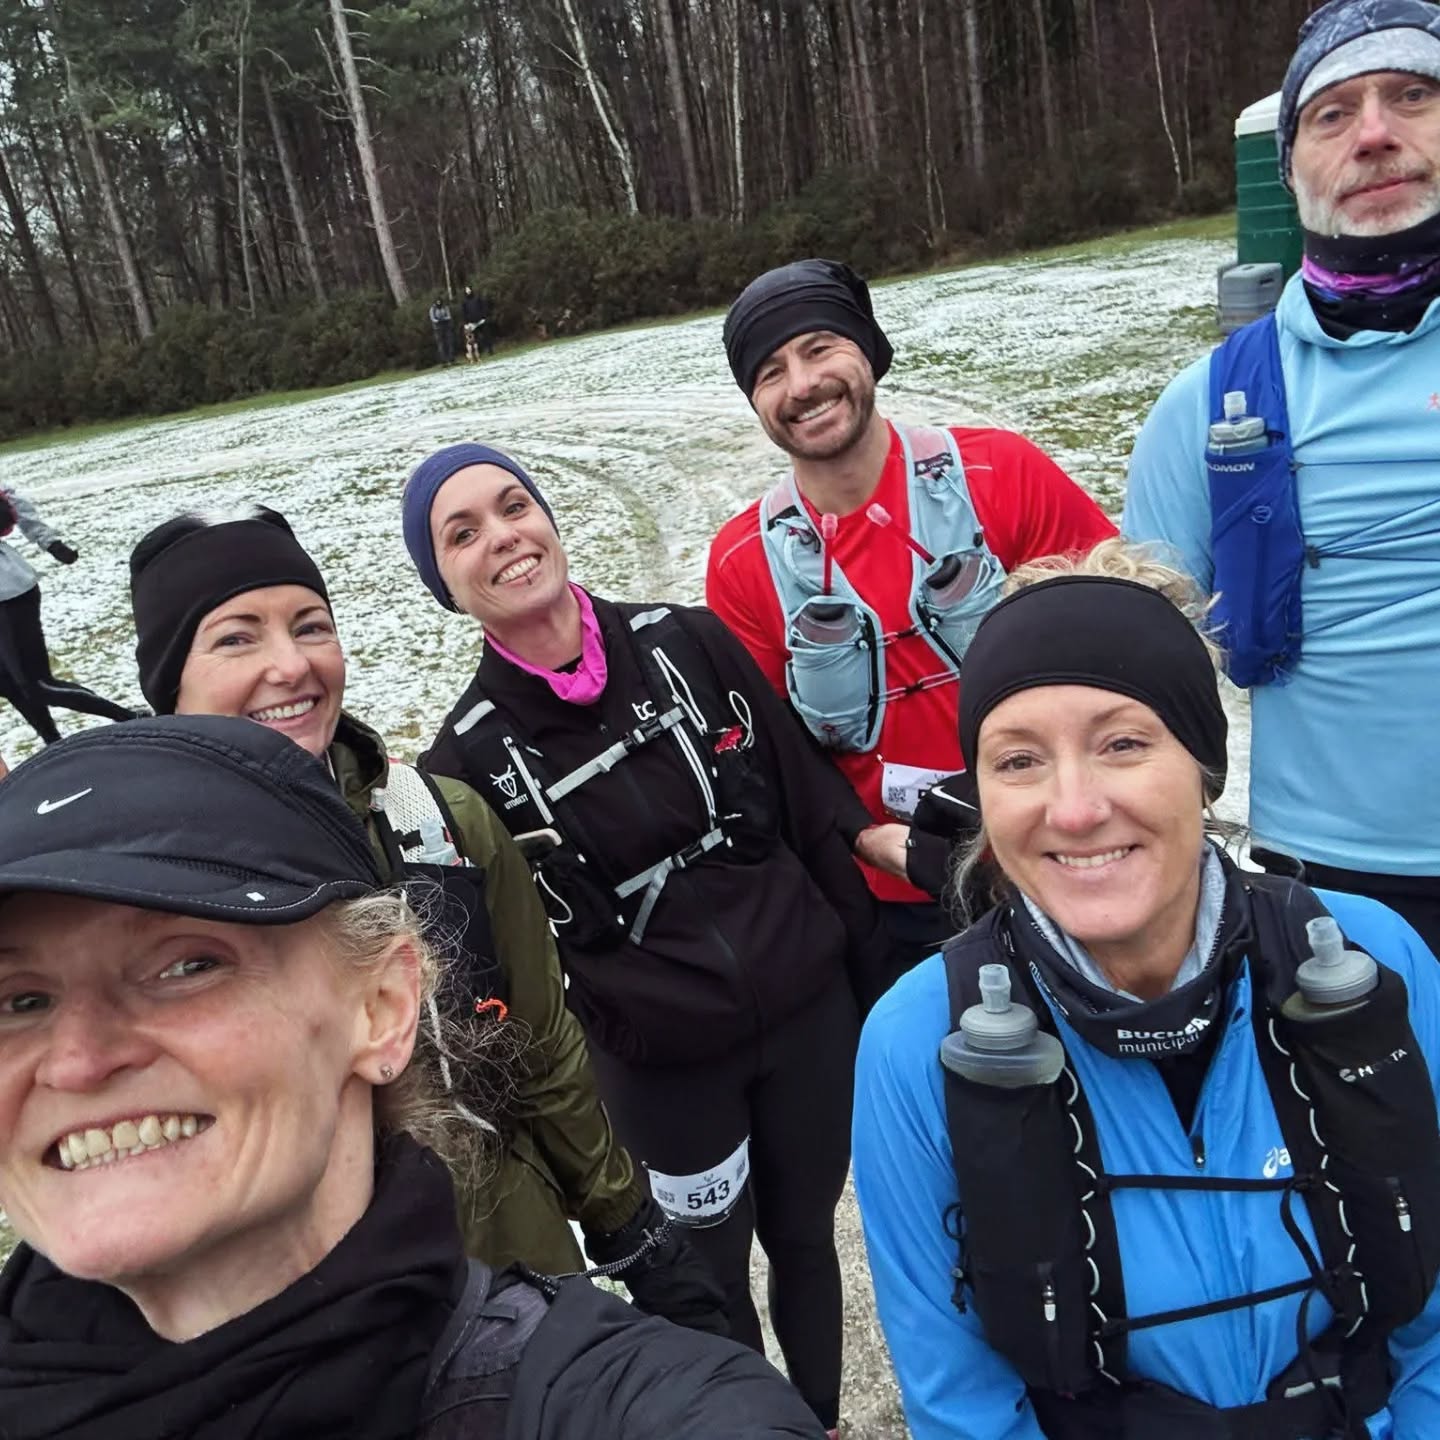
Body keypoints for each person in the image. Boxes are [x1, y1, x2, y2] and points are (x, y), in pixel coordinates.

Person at [0, 714, 830, 1440]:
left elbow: (544, 1043)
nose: (76, 1060)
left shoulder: (617, 1405)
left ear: (384, 1005)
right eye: (18, 998)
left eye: (185, 966)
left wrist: (625, 1221)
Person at [852, 539, 1440, 1439]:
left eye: (1123, 743)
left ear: (1202, 766)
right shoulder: (918, 1039)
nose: (1075, 807)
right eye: (1018, 761)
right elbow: (959, 1401)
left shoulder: (1373, 956)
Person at [125, 504, 725, 1333]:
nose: (291, 664)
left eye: (312, 626)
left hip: (522, 1274)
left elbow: (540, 1042)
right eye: (237, 638)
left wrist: (628, 1227)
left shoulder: (441, 825)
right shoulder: (138, 898)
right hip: (313, 1330)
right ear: (169, 686)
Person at [402, 441, 890, 1436]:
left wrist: (864, 952)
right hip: (665, 1071)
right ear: (445, 583)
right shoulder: (463, 761)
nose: (504, 537)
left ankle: (822, 1420)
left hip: (807, 1019)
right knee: (707, 1275)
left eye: (514, 506)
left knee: (805, 1239)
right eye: (465, 533)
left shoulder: (690, 640)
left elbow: (807, 800)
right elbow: (509, 973)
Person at [1125, 0, 1440, 955]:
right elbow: (1138, 659)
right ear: (1291, 166)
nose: (1375, 133)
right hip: (1342, 892)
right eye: (1332, 114)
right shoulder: (1210, 407)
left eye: (1413, 95)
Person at [707, 258, 1115, 975]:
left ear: (867, 350)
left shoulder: (1000, 475)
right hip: (892, 896)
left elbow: (1121, 636)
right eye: (769, 372)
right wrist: (867, 839)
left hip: (1067, 845)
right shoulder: (743, 562)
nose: (802, 385)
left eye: (819, 348)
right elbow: (770, 753)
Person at [0, 485, 135, 745]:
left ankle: (131, 717)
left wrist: (51, 542)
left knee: (36, 684)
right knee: (7, 683)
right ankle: (54, 744)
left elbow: (10, 501)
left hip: (9, 595)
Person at [461, 285, 493, 361]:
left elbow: (483, 307)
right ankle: (478, 354)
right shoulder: (464, 302)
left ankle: (490, 350)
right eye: (466, 290)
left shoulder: (477, 298)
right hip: (472, 323)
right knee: (474, 339)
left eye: (469, 289)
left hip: (480, 321)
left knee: (486, 335)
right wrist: (466, 323)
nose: (468, 291)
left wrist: (484, 317)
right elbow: (464, 313)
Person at [430, 296, 455, 365]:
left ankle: (451, 359)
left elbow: (449, 316)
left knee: (449, 342)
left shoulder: (445, 307)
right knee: (441, 344)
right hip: (438, 328)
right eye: (437, 301)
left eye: (439, 301)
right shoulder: (433, 309)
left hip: (446, 326)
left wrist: (444, 319)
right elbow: (433, 318)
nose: (439, 302)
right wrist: (438, 320)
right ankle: (444, 361)